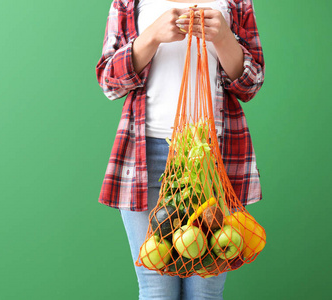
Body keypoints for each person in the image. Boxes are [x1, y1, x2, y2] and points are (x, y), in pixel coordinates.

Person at [95, 0, 264, 299]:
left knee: (206, 290)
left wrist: (224, 37)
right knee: (156, 287)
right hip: (146, 157)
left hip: (215, 157)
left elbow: (251, 84)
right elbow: (109, 82)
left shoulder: (237, 3)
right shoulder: (128, 3)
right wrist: (151, 36)